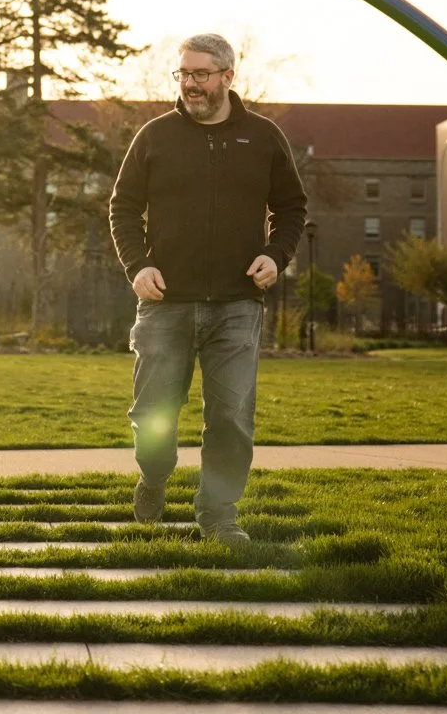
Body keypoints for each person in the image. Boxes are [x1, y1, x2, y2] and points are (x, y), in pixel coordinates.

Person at [108, 33, 307, 546]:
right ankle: (154, 475)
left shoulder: (263, 138)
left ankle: (218, 517)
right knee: (152, 415)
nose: (190, 84)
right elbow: (123, 209)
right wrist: (137, 266)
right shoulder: (154, 136)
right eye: (183, 74)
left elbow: (291, 210)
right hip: (164, 303)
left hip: (237, 305)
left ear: (227, 77)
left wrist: (274, 256)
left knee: (231, 419)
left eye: (200, 74)